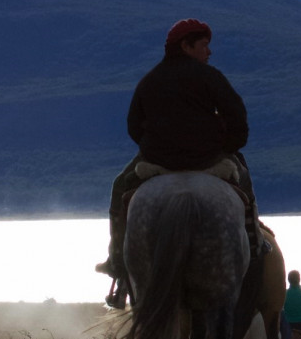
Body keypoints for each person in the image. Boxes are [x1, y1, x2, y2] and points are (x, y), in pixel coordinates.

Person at [95, 18, 259, 309]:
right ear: (186, 46)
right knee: (243, 182)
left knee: (120, 187)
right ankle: (255, 243)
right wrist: (228, 147)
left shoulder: (150, 80)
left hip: (158, 161)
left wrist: (154, 148)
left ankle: (117, 260)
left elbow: (134, 125)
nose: (209, 52)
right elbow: (237, 116)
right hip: (209, 159)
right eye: (204, 45)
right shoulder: (211, 77)